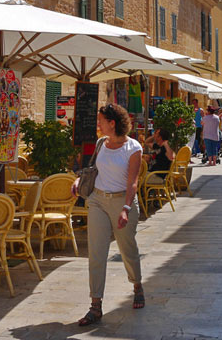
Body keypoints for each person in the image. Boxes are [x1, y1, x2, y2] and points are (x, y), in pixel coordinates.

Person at [71, 104, 144, 326]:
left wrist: (126, 208)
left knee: (127, 249)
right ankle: (96, 305)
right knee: (96, 252)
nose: (98, 125)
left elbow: (132, 182)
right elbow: (93, 169)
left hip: (123, 202)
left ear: (112, 123)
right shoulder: (101, 143)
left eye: (101, 121)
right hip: (98, 201)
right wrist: (78, 180)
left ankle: (137, 284)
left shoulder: (133, 148)